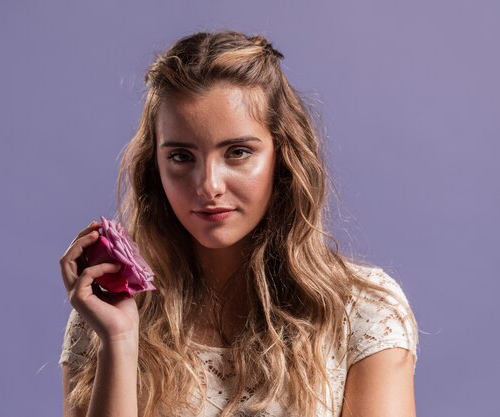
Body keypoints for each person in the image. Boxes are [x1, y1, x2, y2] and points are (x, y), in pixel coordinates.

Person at [58, 30, 418, 417]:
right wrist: (120, 339)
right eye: (181, 157)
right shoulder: (105, 313)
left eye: (238, 152)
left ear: (283, 158)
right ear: (154, 167)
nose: (208, 185)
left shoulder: (363, 311)